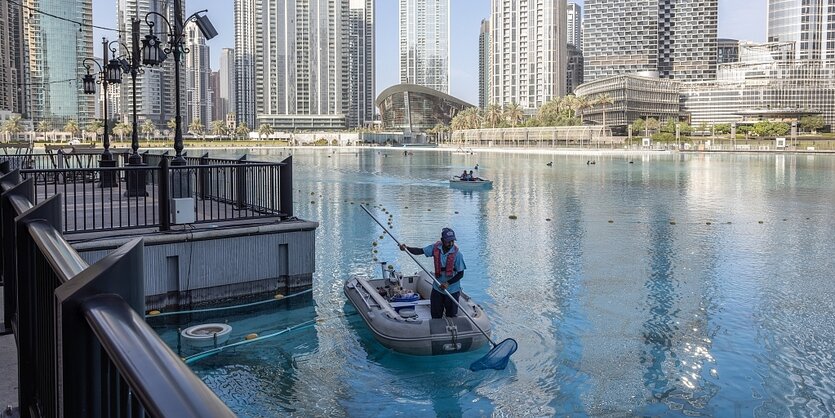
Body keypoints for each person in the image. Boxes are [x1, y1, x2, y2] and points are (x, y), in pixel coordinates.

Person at [399, 228, 466, 319]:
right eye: (448, 241)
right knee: (435, 314)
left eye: (452, 241)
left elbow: (460, 274)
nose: (450, 244)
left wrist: (447, 283)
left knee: (451, 316)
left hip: (452, 290)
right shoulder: (435, 248)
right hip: (437, 288)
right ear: (442, 240)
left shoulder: (458, 255)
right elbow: (420, 251)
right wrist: (407, 248)